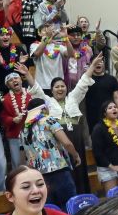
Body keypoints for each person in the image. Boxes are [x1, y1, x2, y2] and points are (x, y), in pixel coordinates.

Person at [24, 56, 99, 195]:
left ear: (66, 88)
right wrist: (27, 74)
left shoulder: (73, 97)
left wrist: (93, 65)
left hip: (77, 138)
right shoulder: (48, 101)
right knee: (67, 170)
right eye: (57, 87)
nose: (60, 89)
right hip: (60, 138)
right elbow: (36, 89)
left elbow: (83, 82)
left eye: (62, 86)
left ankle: (82, 196)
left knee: (80, 168)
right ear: (51, 90)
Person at [20, 97, 81, 208]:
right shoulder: (49, 120)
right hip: (59, 170)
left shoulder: (23, 129)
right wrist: (75, 155)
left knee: (50, 210)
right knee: (69, 206)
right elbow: (67, 143)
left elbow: (23, 155)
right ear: (43, 108)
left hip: (39, 177)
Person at [91, 100, 118, 195]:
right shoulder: (99, 128)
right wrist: (111, 166)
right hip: (107, 168)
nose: (114, 109)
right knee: (113, 198)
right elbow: (97, 152)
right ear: (104, 113)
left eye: (115, 107)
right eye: (110, 108)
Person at [83, 50, 118, 134]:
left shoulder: (111, 79)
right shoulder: (86, 80)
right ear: (91, 65)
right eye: (96, 62)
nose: (98, 64)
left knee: (111, 136)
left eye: (101, 61)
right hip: (92, 114)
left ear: (104, 64)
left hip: (109, 113)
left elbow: (117, 97)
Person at [0, 70, 32, 166]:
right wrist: (12, 120)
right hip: (14, 134)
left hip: (32, 133)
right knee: (17, 163)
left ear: (21, 80)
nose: (14, 80)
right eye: (10, 80)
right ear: (8, 85)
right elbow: (2, 117)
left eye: (16, 78)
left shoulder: (31, 93)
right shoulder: (5, 99)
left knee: (33, 160)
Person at [63, 26, 94, 90]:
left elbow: (91, 65)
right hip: (66, 84)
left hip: (84, 84)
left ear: (81, 36)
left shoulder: (88, 49)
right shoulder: (63, 48)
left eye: (78, 35)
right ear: (67, 36)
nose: (76, 37)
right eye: (72, 35)